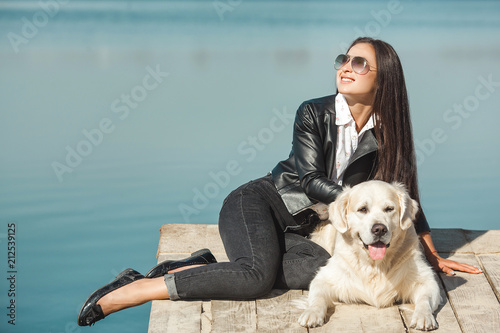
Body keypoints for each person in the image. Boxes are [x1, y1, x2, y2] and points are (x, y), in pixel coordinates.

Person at [77, 37, 482, 327]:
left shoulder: (388, 132)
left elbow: (403, 192)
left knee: (328, 272)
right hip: (260, 204)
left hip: (305, 230)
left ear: (383, 79)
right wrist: (354, 203)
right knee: (255, 276)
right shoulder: (313, 112)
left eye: (359, 63)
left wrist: (430, 253)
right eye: (344, 58)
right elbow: (308, 179)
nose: (345, 66)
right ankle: (137, 288)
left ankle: (197, 267)